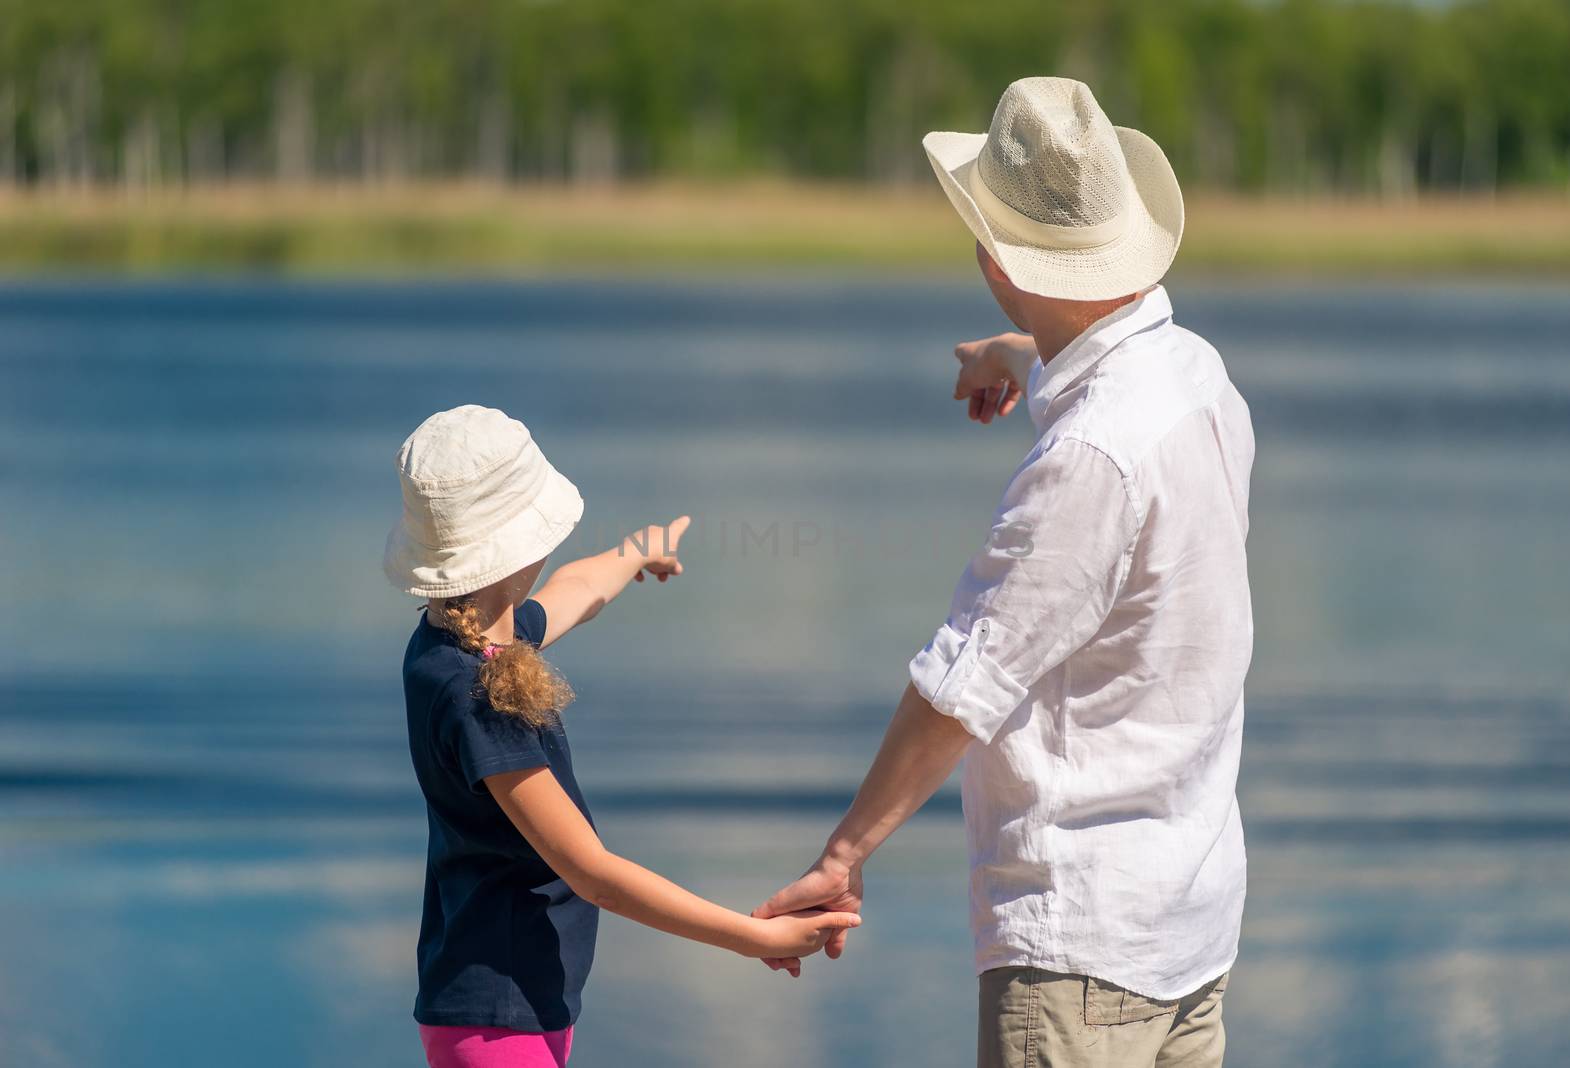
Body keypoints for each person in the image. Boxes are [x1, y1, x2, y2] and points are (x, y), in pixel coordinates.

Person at [754, 78, 1255, 1068]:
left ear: (994, 259)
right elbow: (1105, 372)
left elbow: (960, 688)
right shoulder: (1195, 373)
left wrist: (843, 854)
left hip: (1081, 948)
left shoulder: (1085, 460)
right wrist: (1019, 354)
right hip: (1193, 920)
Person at [383, 404, 859, 1068]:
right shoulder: (477, 696)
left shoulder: (451, 640)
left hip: (512, 1005)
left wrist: (636, 553)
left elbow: (574, 589)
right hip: (497, 1014)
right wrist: (750, 936)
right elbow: (593, 872)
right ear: (516, 549)